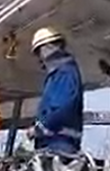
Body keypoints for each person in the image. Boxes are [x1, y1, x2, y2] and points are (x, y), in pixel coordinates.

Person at [27, 27, 84, 155]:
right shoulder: (56, 75)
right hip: (51, 144)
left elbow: (63, 107)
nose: (40, 57)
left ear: (49, 47)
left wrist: (40, 128)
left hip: (59, 144)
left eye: (39, 51)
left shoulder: (65, 73)